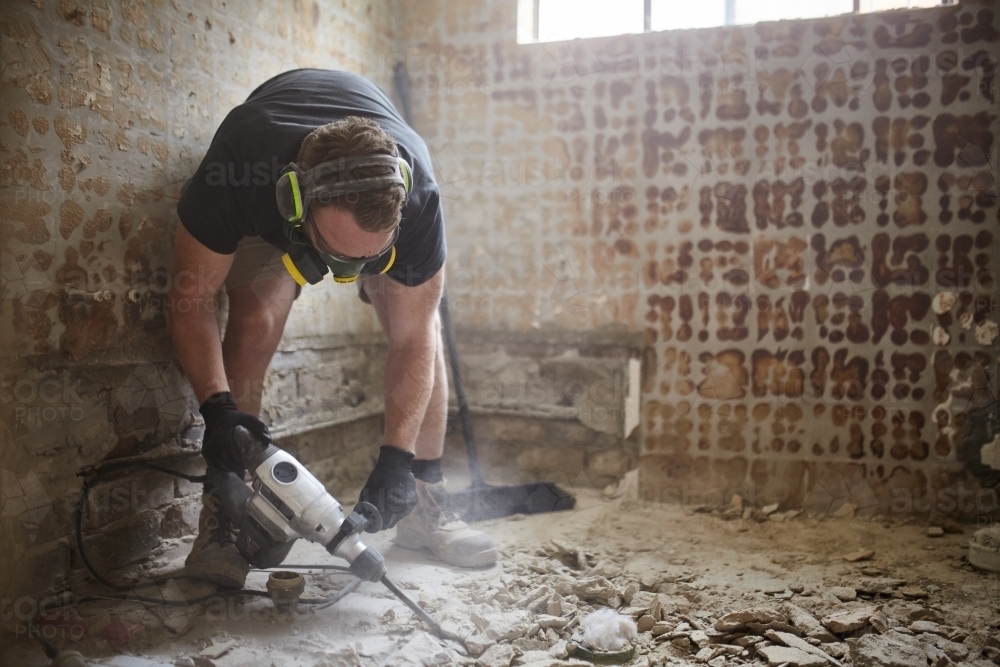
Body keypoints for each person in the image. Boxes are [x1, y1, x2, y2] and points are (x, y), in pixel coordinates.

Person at [168, 69, 497, 589]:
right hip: (269, 191)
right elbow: (190, 301)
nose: (354, 274)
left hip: (359, 219)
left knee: (414, 323)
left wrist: (398, 459)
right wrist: (217, 410)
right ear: (295, 203)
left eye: (372, 256)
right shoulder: (238, 168)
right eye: (343, 257)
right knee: (255, 320)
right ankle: (224, 509)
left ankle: (426, 496)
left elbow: (413, 340)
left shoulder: (419, 198)